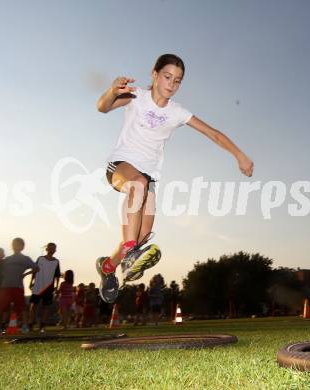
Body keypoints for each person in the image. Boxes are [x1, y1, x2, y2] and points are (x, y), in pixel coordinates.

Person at [95, 53, 254, 303]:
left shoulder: (177, 112)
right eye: (167, 77)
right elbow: (102, 107)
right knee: (137, 187)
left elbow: (213, 133)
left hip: (148, 177)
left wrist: (239, 155)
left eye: (178, 81)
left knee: (142, 234)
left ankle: (107, 267)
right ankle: (129, 254)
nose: (172, 84)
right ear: (155, 74)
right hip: (121, 167)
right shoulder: (136, 96)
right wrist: (112, 90)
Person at [0, 238, 39, 334]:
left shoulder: (25, 259)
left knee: (22, 307)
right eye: (14, 244)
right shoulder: (7, 259)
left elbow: (36, 268)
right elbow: (0, 270)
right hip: (5, 287)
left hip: (18, 287)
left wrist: (26, 274)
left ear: (22, 247)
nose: (16, 246)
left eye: (18, 244)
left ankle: (25, 326)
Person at [29, 243, 61, 333]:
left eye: (54, 248)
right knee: (34, 305)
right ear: (47, 249)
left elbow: (57, 275)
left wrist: (56, 287)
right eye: (50, 248)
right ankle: (30, 324)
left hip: (49, 287)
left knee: (46, 307)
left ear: (55, 250)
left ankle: (42, 326)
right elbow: (35, 270)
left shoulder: (56, 261)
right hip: (38, 285)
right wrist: (31, 282)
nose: (52, 250)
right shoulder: (40, 259)